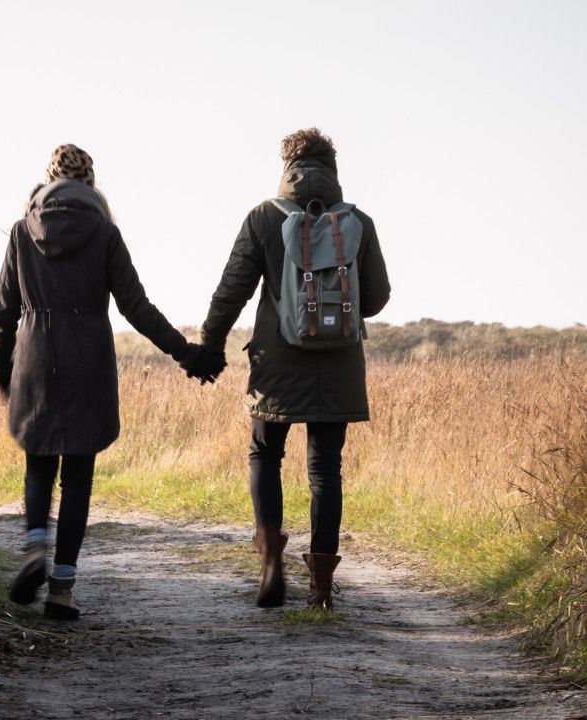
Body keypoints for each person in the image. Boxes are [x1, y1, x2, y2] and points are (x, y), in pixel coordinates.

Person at [0, 144, 210, 620]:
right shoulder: (105, 232)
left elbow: (2, 308)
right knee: (79, 478)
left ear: (47, 182)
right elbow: (137, 307)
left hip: (35, 358)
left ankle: (33, 549)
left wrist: (4, 368)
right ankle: (62, 589)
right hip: (89, 358)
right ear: (91, 185)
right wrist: (185, 353)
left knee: (39, 464)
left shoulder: (20, 232)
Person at [187, 128, 391, 609]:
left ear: (286, 167)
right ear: (333, 168)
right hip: (339, 362)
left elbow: (230, 291)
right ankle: (321, 586)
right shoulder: (358, 222)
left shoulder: (264, 217)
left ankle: (271, 564)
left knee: (265, 454)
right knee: (325, 468)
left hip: (276, 362)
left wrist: (211, 348)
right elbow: (377, 298)